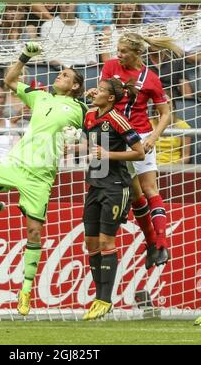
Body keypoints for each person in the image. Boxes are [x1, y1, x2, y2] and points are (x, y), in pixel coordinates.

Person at [0, 42, 88, 316]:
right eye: (61, 73)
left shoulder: (80, 110)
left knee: (33, 232)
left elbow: (92, 138)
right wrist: (24, 57)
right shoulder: (39, 95)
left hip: (40, 175)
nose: (60, 76)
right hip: (15, 162)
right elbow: (9, 80)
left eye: (66, 75)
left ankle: (26, 291)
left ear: (76, 86)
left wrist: (75, 141)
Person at [97, 33, 183, 269]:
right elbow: (103, 96)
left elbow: (165, 113)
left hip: (141, 136)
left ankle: (162, 244)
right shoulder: (110, 67)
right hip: (115, 137)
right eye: (118, 49)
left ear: (137, 53)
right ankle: (152, 244)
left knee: (149, 188)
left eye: (124, 51)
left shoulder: (151, 78)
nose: (119, 55)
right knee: (136, 195)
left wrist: (154, 137)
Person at [80, 77, 145, 320]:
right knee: (91, 243)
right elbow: (90, 145)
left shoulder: (118, 118)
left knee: (107, 242)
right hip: (94, 186)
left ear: (110, 98)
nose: (95, 91)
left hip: (116, 187)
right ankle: (99, 298)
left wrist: (108, 154)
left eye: (101, 90)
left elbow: (138, 153)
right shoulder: (90, 115)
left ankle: (104, 300)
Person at [40, 3, 97, 68]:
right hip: (57, 72)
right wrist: (67, 71)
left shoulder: (87, 27)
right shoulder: (47, 26)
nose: (67, 3)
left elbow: (91, 57)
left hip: (84, 72)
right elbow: (50, 57)